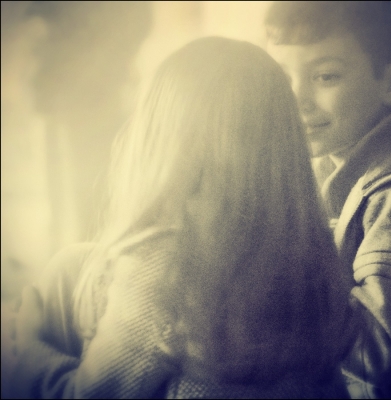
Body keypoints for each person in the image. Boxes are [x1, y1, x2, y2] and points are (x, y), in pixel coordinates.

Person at [10, 36, 357, 399]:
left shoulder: (165, 264)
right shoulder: (307, 247)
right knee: (75, 263)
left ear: (162, 134)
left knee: (63, 278)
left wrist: (25, 348)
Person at [264, 2, 391, 399]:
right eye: (282, 77)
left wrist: (258, 295)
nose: (297, 98)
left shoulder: (390, 191)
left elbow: (379, 357)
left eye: (325, 76)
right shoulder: (321, 162)